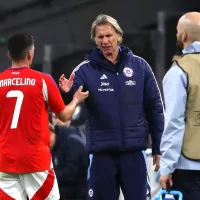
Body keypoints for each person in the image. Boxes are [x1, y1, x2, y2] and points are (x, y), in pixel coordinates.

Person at [59, 14, 164, 200]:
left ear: (118, 36)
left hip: (134, 153)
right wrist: (67, 92)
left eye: (108, 35)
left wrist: (158, 146)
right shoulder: (84, 69)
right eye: (100, 37)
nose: (105, 41)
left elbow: (155, 109)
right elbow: (69, 101)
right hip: (101, 155)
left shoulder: (140, 66)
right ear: (95, 40)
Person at [0, 33, 89, 199]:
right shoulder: (43, 81)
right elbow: (64, 116)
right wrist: (76, 99)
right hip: (36, 162)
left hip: (6, 162)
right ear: (30, 54)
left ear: (9, 54)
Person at [160, 12, 200, 200]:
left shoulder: (179, 72)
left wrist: (167, 167)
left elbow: (174, 122)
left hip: (188, 166)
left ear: (183, 35)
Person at [50, 113, 88, 200]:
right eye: (54, 117)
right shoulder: (55, 144)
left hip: (77, 192)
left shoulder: (73, 141)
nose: (57, 121)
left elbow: (71, 173)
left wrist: (49, 177)